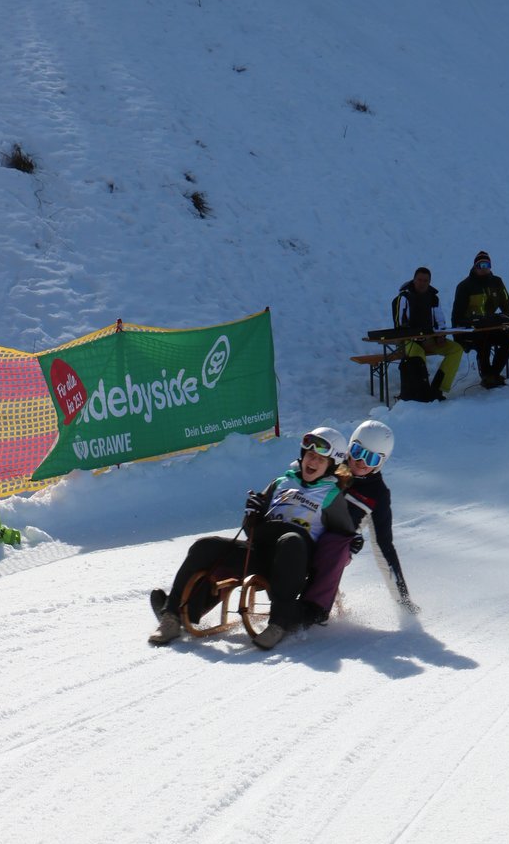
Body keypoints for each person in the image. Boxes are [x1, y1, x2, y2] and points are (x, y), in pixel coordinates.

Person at [148, 426, 354, 651]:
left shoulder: (332, 496)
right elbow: (251, 529)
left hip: (293, 562)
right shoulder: (282, 482)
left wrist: (349, 544)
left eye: (320, 459)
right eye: (310, 455)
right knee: (203, 546)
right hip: (259, 553)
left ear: (331, 465)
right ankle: (172, 615)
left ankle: (279, 623)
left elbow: (338, 543)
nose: (312, 461)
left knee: (291, 540)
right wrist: (252, 514)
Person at [300, 419, 416, 623]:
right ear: (349, 447)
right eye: (357, 451)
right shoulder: (332, 465)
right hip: (302, 529)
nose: (361, 462)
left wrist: (404, 601)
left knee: (329, 550)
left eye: (371, 458)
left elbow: (384, 548)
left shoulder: (377, 494)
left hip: (334, 548)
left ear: (381, 462)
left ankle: (316, 603)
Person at [392, 266, 464, 401]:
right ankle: (422, 392)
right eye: (419, 280)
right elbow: (399, 324)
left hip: (430, 340)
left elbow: (440, 321)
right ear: (414, 280)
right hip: (408, 341)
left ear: (429, 282)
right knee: (418, 355)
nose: (422, 283)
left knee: (456, 350)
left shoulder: (433, 298)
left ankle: (438, 388)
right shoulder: (404, 298)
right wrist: (415, 336)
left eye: (425, 280)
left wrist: (441, 335)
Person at [451, 250, 509, 389]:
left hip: (492, 326)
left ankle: (493, 373)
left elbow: (506, 306)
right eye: (481, 265)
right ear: (475, 266)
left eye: (487, 265)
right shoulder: (465, 286)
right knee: (483, 338)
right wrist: (458, 336)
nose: (484, 268)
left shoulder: (497, 282)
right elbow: (457, 315)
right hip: (472, 330)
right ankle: (487, 375)